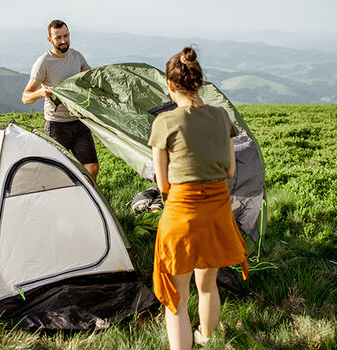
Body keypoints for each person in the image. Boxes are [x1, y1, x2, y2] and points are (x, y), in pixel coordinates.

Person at [148, 47, 249, 350]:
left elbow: (164, 183)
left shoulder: (164, 123)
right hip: (217, 214)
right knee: (207, 286)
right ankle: (207, 338)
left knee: (176, 298)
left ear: (170, 85)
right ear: (200, 82)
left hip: (181, 215)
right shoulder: (221, 118)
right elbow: (231, 169)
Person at [22, 20, 99, 182]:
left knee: (92, 167)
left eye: (66, 36)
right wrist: (42, 93)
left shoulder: (76, 56)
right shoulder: (43, 63)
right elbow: (25, 97)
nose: (63, 41)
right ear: (50, 40)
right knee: (54, 172)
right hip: (56, 125)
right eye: (58, 38)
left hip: (79, 121)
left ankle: (85, 200)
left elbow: (90, 77)